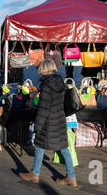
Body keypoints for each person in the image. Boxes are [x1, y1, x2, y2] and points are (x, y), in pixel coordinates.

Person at [19, 59, 77, 187]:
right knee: (64, 148)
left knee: (40, 146)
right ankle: (71, 177)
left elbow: (43, 109)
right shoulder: (60, 82)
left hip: (48, 123)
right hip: (60, 121)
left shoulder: (46, 85)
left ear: (43, 69)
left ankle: (35, 173)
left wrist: (37, 126)